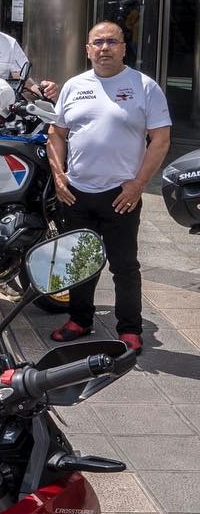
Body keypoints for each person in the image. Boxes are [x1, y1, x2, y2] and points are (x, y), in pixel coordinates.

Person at [47, 21, 171, 354]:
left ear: (123, 48)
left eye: (112, 42)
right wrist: (59, 176)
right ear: (87, 49)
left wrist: (139, 184)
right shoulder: (74, 86)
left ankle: (129, 329)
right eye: (98, 42)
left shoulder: (144, 86)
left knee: (124, 266)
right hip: (76, 192)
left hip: (121, 195)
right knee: (80, 261)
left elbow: (161, 140)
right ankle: (79, 320)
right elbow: (56, 134)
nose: (104, 48)